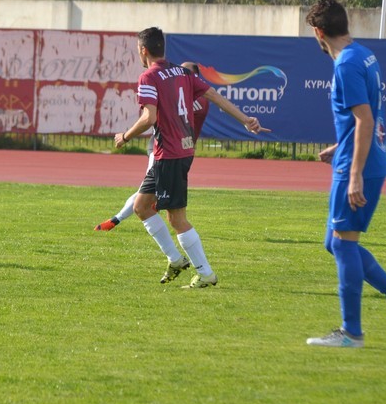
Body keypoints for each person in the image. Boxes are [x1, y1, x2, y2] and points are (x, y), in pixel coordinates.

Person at [304, 0, 386, 348]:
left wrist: (354, 173)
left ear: (319, 32)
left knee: (343, 244)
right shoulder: (363, 54)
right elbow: (365, 117)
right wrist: (340, 146)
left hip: (359, 166)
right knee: (335, 243)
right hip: (361, 158)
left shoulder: (346, 64)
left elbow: (366, 120)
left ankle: (352, 333)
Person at [114, 27, 270, 288]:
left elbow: (149, 118)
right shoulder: (183, 73)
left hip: (170, 154)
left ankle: (205, 273)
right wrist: (245, 119)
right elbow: (214, 95)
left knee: (176, 218)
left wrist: (125, 136)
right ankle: (176, 260)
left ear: (143, 50)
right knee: (142, 206)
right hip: (178, 151)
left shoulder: (149, 76)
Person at [95, 62, 207, 232]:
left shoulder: (197, 100)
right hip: (163, 146)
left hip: (178, 150)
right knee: (147, 190)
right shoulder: (187, 95)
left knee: (151, 194)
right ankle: (116, 219)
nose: (179, 75)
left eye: (184, 73)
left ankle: (123, 216)